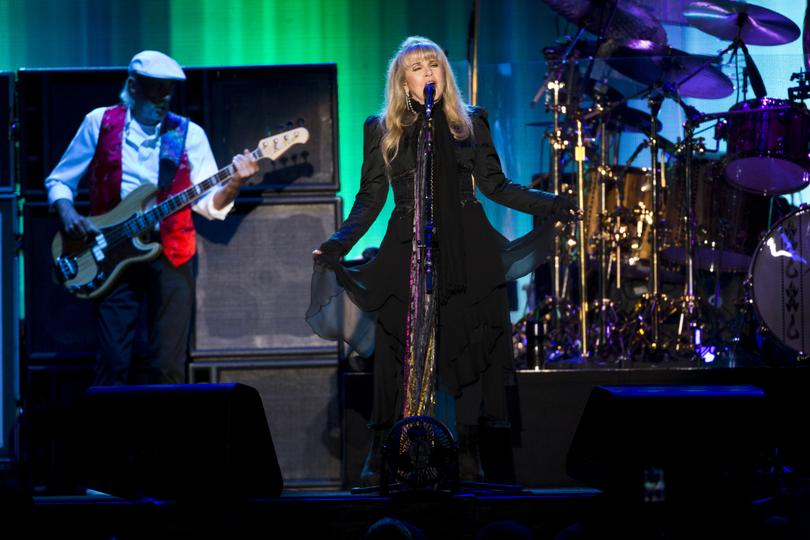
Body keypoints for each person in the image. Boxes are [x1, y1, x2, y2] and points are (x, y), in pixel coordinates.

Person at [307, 36, 579, 483]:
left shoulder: (469, 123)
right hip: (405, 242)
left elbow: (496, 185)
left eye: (433, 63)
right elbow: (370, 199)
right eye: (416, 66)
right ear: (402, 80)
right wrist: (337, 243)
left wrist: (550, 203)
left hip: (467, 244)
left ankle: (468, 450)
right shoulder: (381, 129)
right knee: (395, 346)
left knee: (465, 341)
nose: (427, 71)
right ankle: (383, 450)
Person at [46, 50, 259, 385]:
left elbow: (209, 205)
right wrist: (68, 211)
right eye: (156, 90)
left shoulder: (188, 134)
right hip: (109, 252)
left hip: (171, 252)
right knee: (113, 363)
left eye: (169, 90)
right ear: (133, 87)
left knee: (169, 364)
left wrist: (234, 181)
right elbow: (60, 179)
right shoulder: (99, 122)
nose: (164, 99)